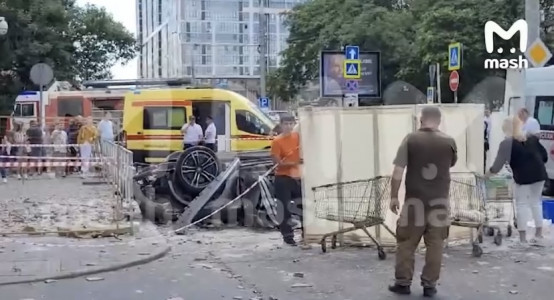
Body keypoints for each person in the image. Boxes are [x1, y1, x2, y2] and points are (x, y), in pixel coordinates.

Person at [388, 106, 457, 298]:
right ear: (439, 120)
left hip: (414, 203)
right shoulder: (449, 142)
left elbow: (398, 171)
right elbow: (451, 163)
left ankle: (403, 283)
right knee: (435, 244)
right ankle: (429, 285)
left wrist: (394, 195)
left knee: (407, 243)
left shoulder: (411, 139)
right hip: (440, 204)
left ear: (421, 119)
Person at [487, 116, 547, 246]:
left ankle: (523, 238)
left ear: (505, 129)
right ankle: (538, 233)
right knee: (536, 202)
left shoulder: (506, 143)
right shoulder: (531, 138)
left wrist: (486, 175)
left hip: (524, 177)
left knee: (522, 205)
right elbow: (545, 157)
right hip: (540, 174)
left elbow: (497, 167)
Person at [270, 114, 303, 246]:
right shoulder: (276, 142)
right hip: (282, 178)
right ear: (281, 125)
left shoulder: (297, 137)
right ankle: (288, 237)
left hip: (297, 177)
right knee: (284, 209)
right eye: (286, 124)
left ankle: (307, 234)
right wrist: (296, 162)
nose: (289, 126)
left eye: (291, 124)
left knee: (303, 206)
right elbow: (278, 163)